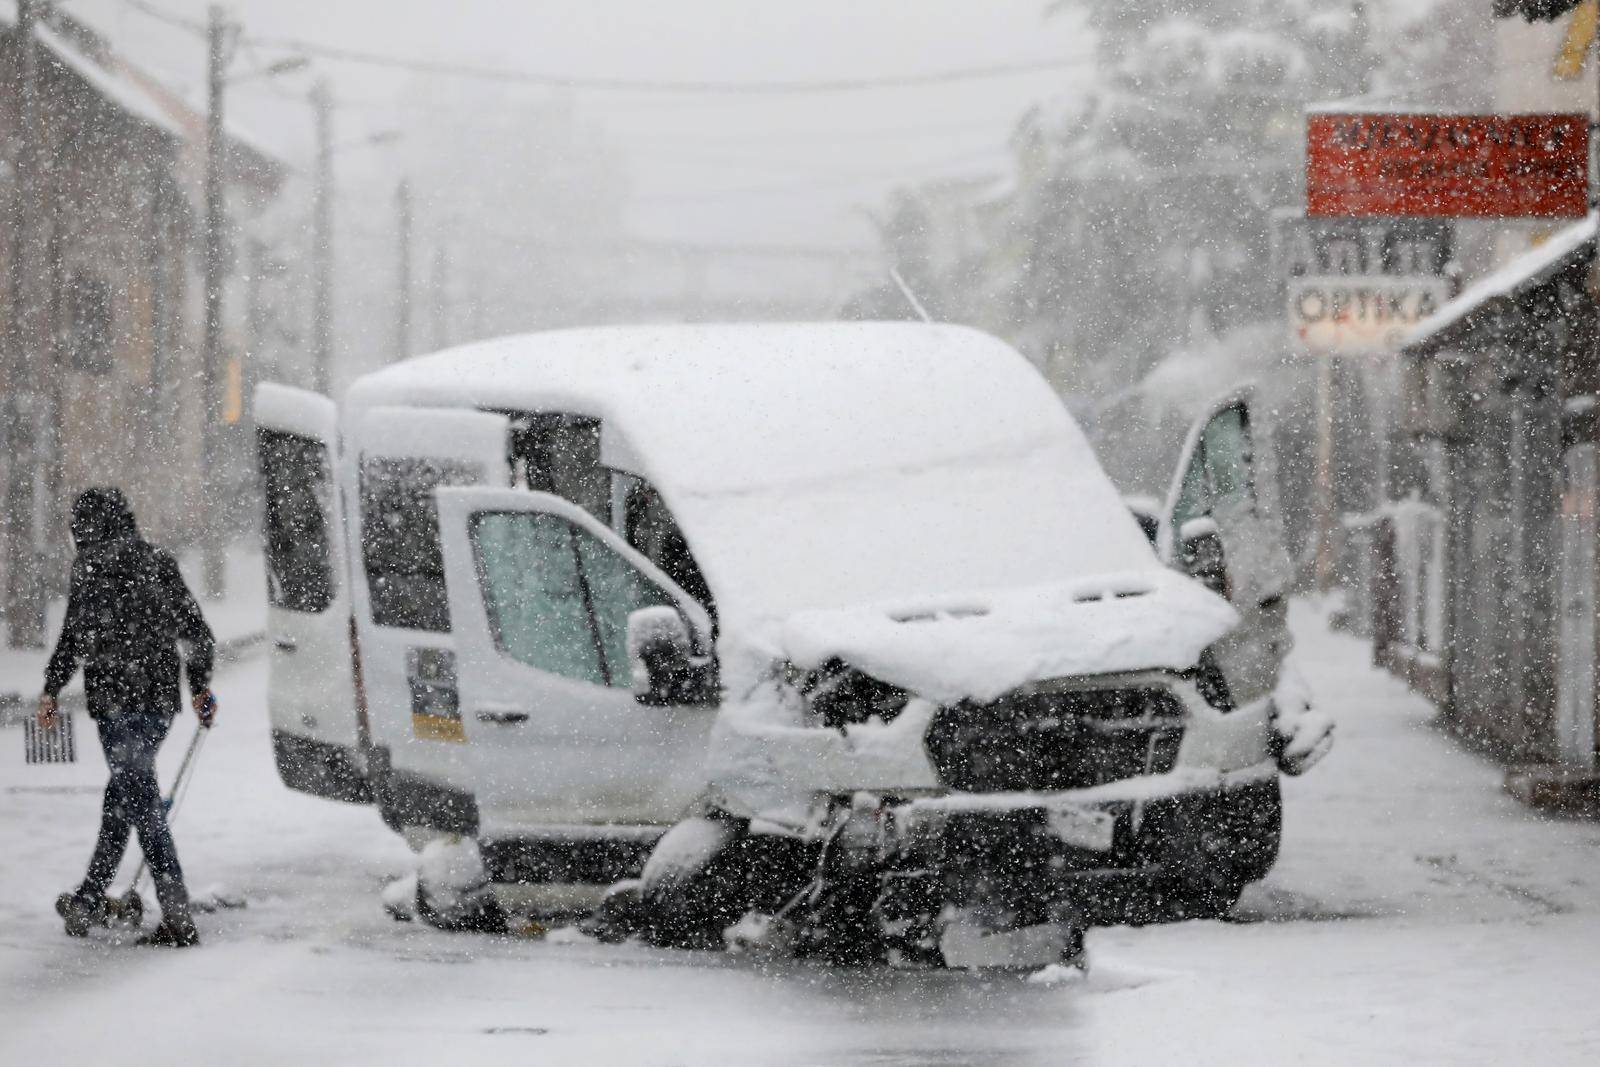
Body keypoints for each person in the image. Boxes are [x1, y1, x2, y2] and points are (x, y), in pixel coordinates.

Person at [36, 487, 217, 948]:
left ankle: (178, 916)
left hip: (116, 708)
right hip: (158, 705)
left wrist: (52, 689)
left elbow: (73, 636)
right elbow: (196, 631)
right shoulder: (157, 560)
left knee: (141, 803)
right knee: (125, 799)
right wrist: (198, 687)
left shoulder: (90, 567)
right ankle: (90, 897)